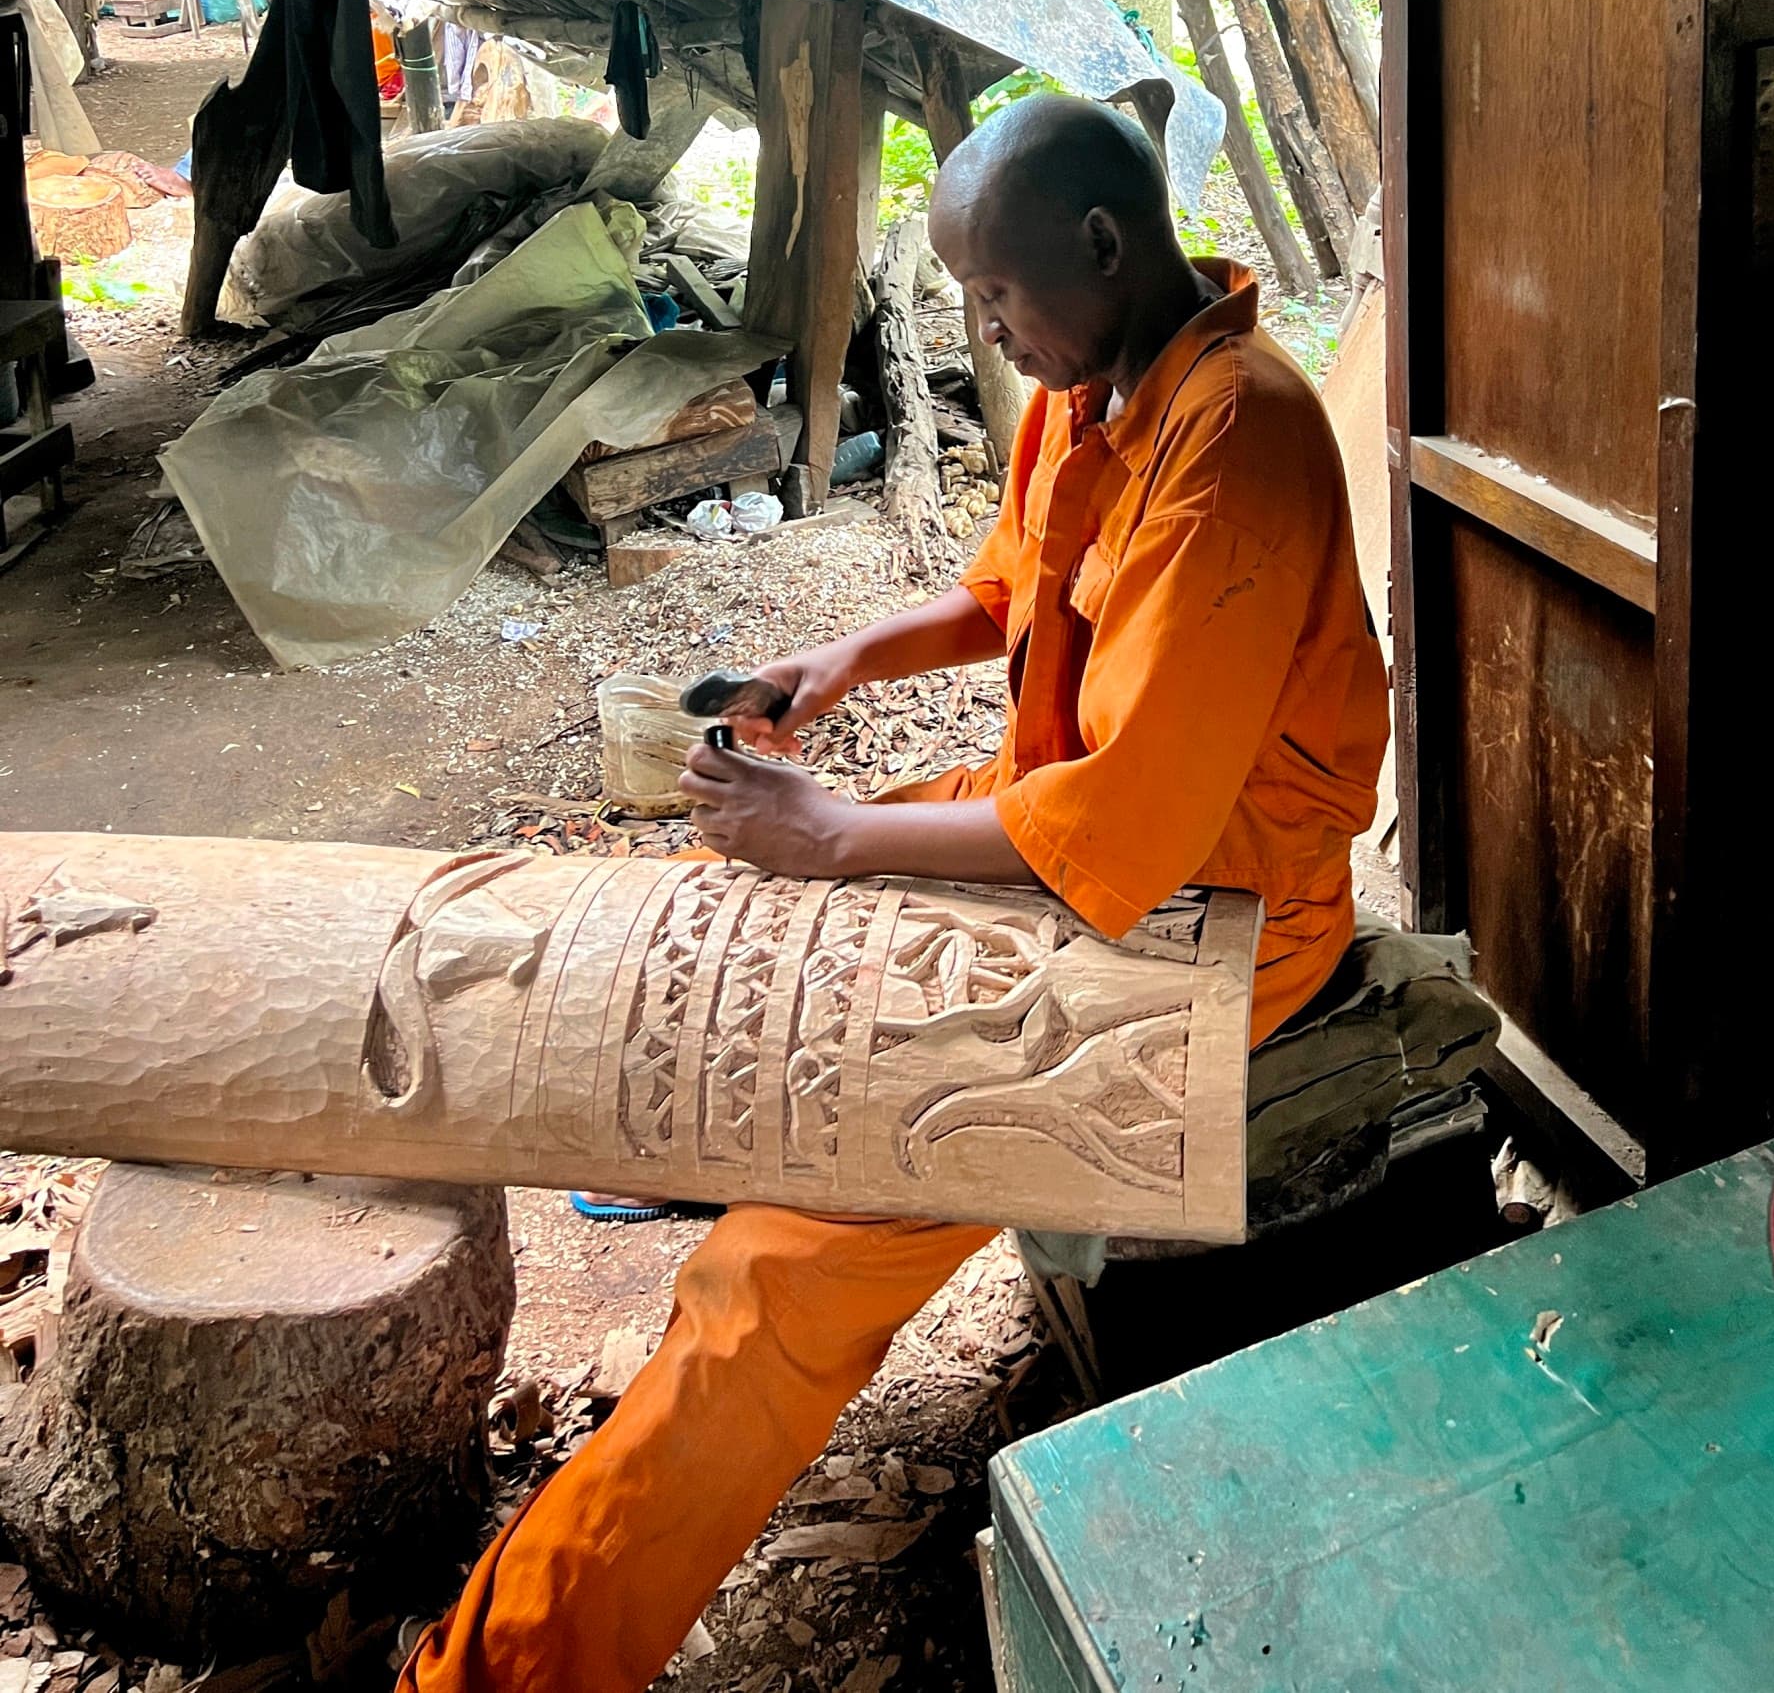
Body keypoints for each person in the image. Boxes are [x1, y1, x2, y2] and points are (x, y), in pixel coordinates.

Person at [399, 94, 1388, 1693]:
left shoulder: (1242, 439)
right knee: (751, 911)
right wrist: (845, 659)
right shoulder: (1104, 376)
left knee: (775, 1277)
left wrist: (847, 832)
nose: (990, 331)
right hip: (1067, 841)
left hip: (1215, 921)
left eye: (998, 300)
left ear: (1105, 243)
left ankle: (495, 1676)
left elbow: (1129, 830)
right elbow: (1013, 585)